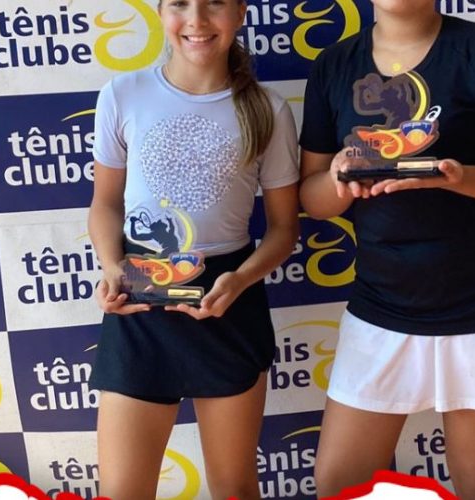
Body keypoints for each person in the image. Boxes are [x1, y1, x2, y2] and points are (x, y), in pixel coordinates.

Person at [298, 1, 475, 499]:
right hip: (381, 304)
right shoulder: (334, 64)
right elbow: (313, 200)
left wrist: (457, 177)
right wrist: (340, 177)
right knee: (340, 484)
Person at [86, 0, 300, 498]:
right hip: (140, 304)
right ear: (161, 12)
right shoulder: (122, 94)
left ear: (240, 13)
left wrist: (240, 279)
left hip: (230, 300)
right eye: (180, 4)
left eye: (215, 4)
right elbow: (104, 204)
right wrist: (113, 266)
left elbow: (284, 229)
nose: (197, 20)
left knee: (235, 489)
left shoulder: (268, 109)